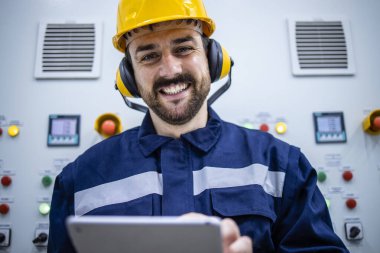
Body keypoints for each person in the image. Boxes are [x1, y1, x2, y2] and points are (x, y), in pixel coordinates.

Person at [48, 0, 349, 252]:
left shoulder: (281, 165)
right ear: (128, 78)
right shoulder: (80, 180)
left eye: (184, 48)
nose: (171, 69)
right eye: (149, 56)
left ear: (213, 59)